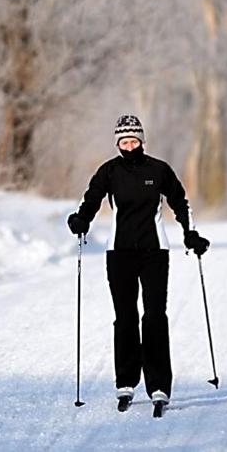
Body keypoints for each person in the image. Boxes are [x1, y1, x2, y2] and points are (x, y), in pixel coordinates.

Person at [66, 114, 210, 414]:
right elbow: (91, 200)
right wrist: (81, 219)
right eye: (124, 141)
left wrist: (190, 233)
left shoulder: (158, 170)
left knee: (155, 316)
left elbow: (180, 202)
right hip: (119, 253)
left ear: (142, 141)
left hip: (154, 252)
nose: (129, 145)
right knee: (125, 317)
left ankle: (159, 385)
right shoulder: (109, 171)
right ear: (117, 143)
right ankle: (126, 382)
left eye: (134, 140)